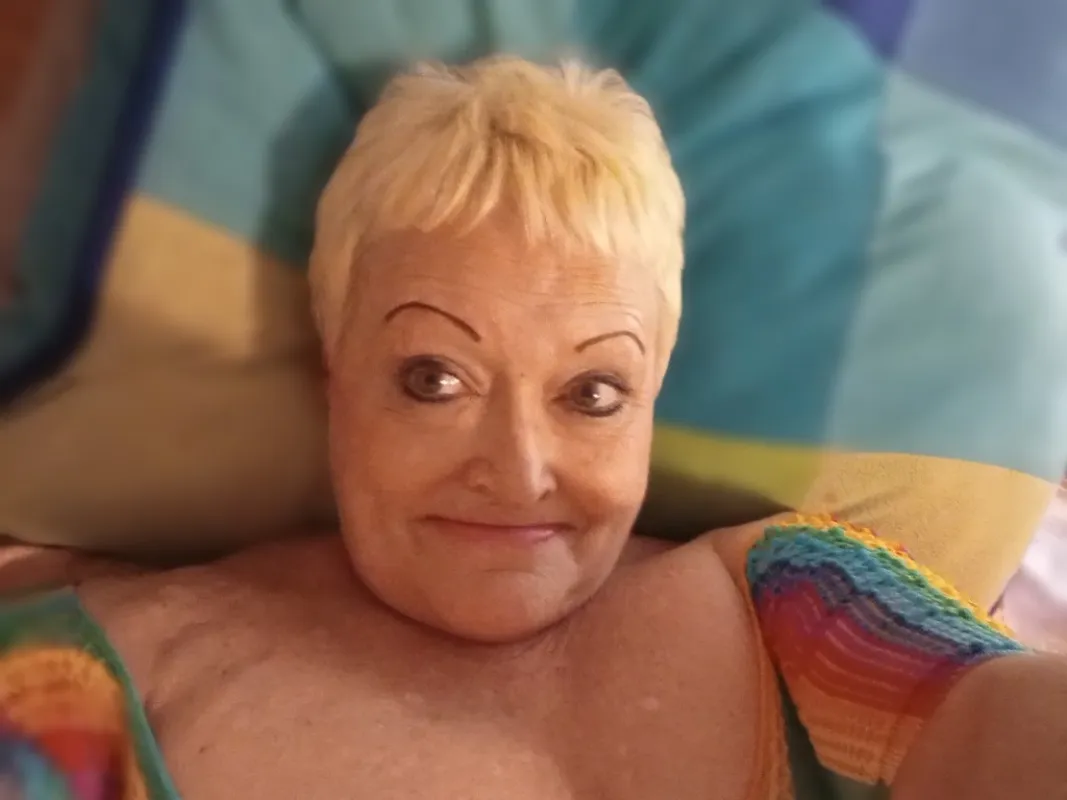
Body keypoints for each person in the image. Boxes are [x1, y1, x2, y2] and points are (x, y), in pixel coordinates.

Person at [2, 56, 1065, 800]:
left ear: (650, 399)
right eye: (433, 378)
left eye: (592, 393)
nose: (517, 470)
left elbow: (992, 719)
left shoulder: (792, 598)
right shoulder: (98, 670)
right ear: (335, 372)